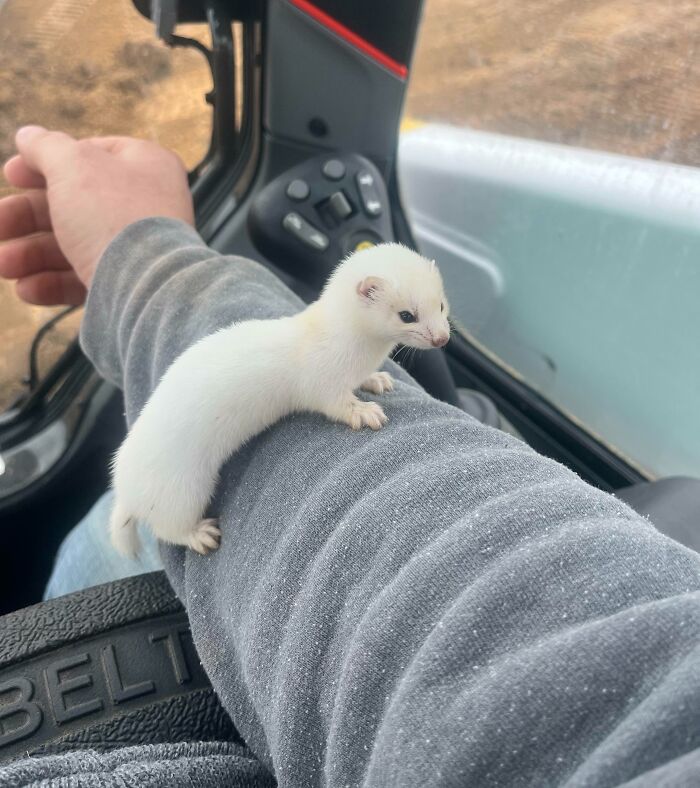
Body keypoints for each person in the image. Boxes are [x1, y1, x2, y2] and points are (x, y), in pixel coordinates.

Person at [0, 126, 698, 787]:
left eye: (436, 309)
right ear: (364, 295)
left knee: (101, 543)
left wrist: (150, 266)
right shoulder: (326, 345)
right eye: (409, 321)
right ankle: (169, 525)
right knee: (149, 511)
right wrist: (350, 403)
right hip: (171, 467)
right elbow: (316, 383)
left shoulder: (349, 326)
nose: (437, 333)